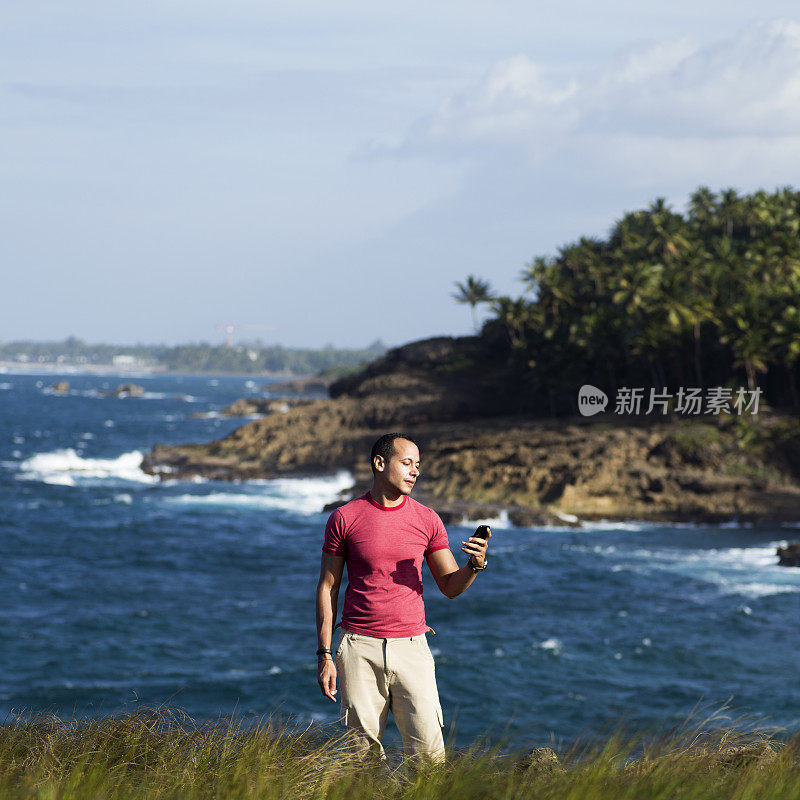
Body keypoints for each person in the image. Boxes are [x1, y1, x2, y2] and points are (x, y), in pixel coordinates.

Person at [315, 432, 491, 764]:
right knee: (361, 762)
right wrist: (325, 654)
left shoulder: (427, 520)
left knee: (429, 759)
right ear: (379, 464)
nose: (415, 472)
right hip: (358, 649)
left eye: (418, 466)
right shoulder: (344, 518)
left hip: (412, 648)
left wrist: (475, 565)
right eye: (407, 463)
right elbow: (328, 587)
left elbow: (450, 586)